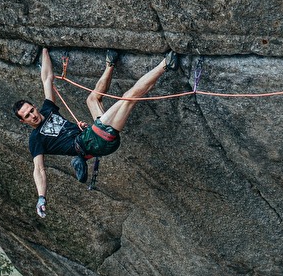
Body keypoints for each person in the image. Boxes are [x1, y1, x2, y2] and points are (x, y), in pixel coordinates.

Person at [14, 47, 176, 218]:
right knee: (128, 97)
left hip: (95, 136)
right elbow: (39, 169)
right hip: (91, 142)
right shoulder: (36, 140)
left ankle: (110, 64)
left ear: (34, 106)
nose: (33, 115)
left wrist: (44, 49)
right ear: (23, 121)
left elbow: (47, 78)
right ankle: (165, 64)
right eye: (27, 116)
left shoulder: (47, 110)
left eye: (32, 110)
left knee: (93, 99)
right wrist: (41, 197)